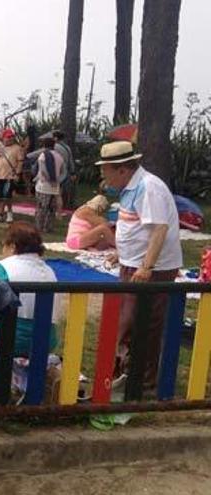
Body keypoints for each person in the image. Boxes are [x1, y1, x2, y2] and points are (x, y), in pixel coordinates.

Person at [98, 141, 183, 389]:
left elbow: (159, 229)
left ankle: (141, 379)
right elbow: (135, 226)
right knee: (128, 321)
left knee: (140, 322)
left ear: (122, 169)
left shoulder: (148, 188)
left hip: (151, 268)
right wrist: (122, 252)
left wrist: (146, 266)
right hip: (134, 263)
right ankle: (127, 372)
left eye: (106, 170)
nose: (104, 175)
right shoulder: (131, 187)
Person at [0, 221, 62, 357]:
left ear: (12, 247)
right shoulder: (49, 271)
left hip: (7, 339)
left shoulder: (3, 268)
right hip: (45, 342)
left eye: (3, 246)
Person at [0, 128, 25, 223]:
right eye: (7, 137)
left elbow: (20, 162)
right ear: (3, 138)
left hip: (10, 175)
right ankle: (0, 213)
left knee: (7, 195)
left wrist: (18, 173)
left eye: (11, 137)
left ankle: (9, 212)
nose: (9, 139)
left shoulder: (17, 148)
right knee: (0, 195)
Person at [33, 137, 65, 233]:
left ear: (44, 145)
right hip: (55, 186)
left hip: (44, 185)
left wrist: (49, 179)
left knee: (41, 207)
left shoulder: (43, 155)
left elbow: (43, 170)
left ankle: (39, 226)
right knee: (51, 208)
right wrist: (57, 180)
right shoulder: (59, 156)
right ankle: (48, 227)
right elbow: (63, 170)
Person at [53, 130, 77, 210]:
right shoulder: (67, 147)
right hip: (66, 171)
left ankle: (57, 207)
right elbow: (70, 160)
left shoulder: (54, 147)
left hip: (56, 171)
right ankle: (65, 205)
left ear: (55, 138)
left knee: (56, 191)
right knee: (62, 190)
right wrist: (73, 172)